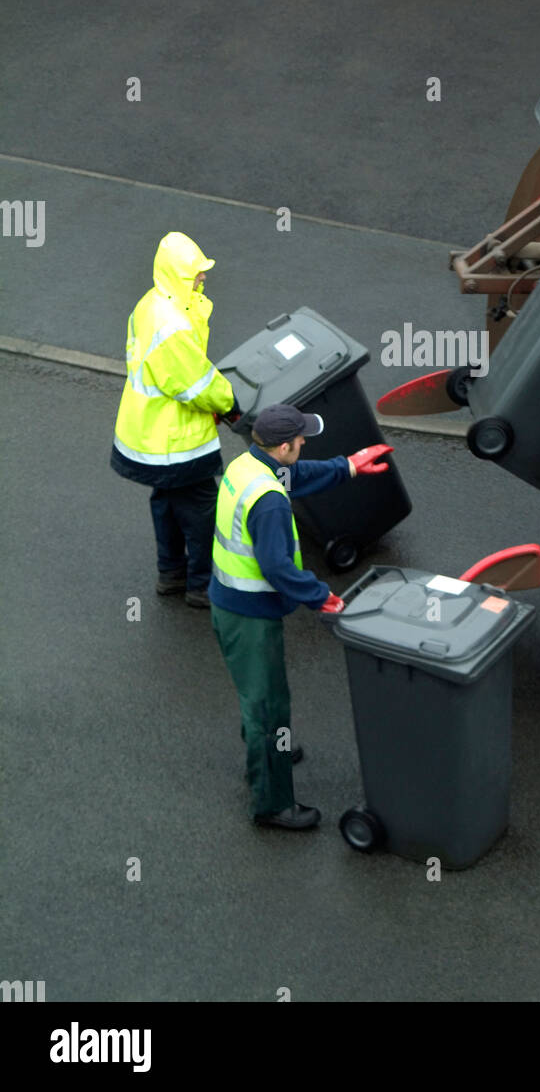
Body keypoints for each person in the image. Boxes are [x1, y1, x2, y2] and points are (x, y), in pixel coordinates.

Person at [209, 402, 393, 831]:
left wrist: (347, 466)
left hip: (231, 605)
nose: (305, 442)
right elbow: (277, 568)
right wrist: (322, 597)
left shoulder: (247, 466)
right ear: (284, 445)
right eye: (301, 439)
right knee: (268, 707)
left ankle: (269, 752)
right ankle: (272, 804)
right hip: (249, 616)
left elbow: (299, 476)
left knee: (260, 698)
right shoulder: (270, 503)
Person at [111, 232, 240, 608]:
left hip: (147, 433)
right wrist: (230, 405)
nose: (202, 279)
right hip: (177, 440)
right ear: (178, 276)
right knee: (201, 510)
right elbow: (196, 381)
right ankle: (201, 586)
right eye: (196, 275)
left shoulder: (149, 305)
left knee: (166, 502)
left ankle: (171, 573)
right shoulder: (172, 325)